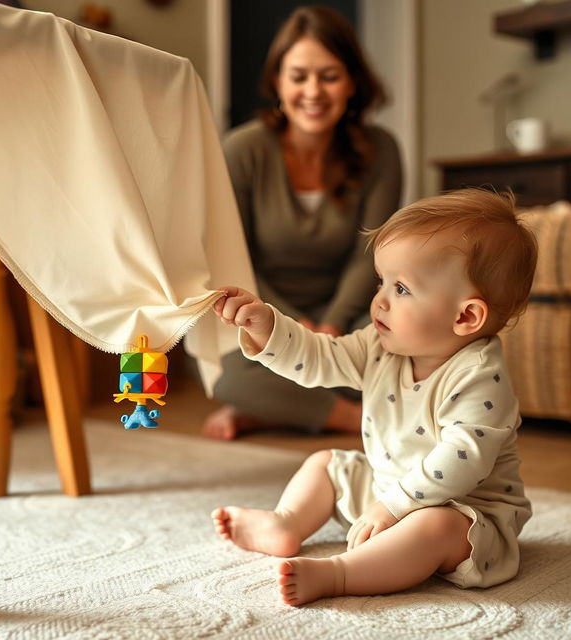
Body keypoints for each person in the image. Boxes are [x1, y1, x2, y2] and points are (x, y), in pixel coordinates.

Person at [210, 188, 537, 606]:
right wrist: (268, 327)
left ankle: (341, 573)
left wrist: (395, 507)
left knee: (434, 527)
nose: (379, 300)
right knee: (326, 463)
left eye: (400, 289)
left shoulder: (480, 377)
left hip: (467, 515)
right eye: (381, 281)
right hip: (389, 489)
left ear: (465, 316)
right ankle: (285, 523)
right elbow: (319, 359)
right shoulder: (380, 346)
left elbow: (463, 459)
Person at [202, 5, 402, 440]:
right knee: (227, 376)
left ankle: (273, 411)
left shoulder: (381, 149)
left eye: (329, 76)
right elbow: (234, 257)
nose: (313, 91)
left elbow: (372, 254)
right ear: (277, 82)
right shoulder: (242, 149)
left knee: (403, 351)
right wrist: (287, 325)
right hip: (262, 313)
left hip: (350, 317)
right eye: (298, 76)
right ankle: (358, 419)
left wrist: (329, 325)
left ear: (352, 82)